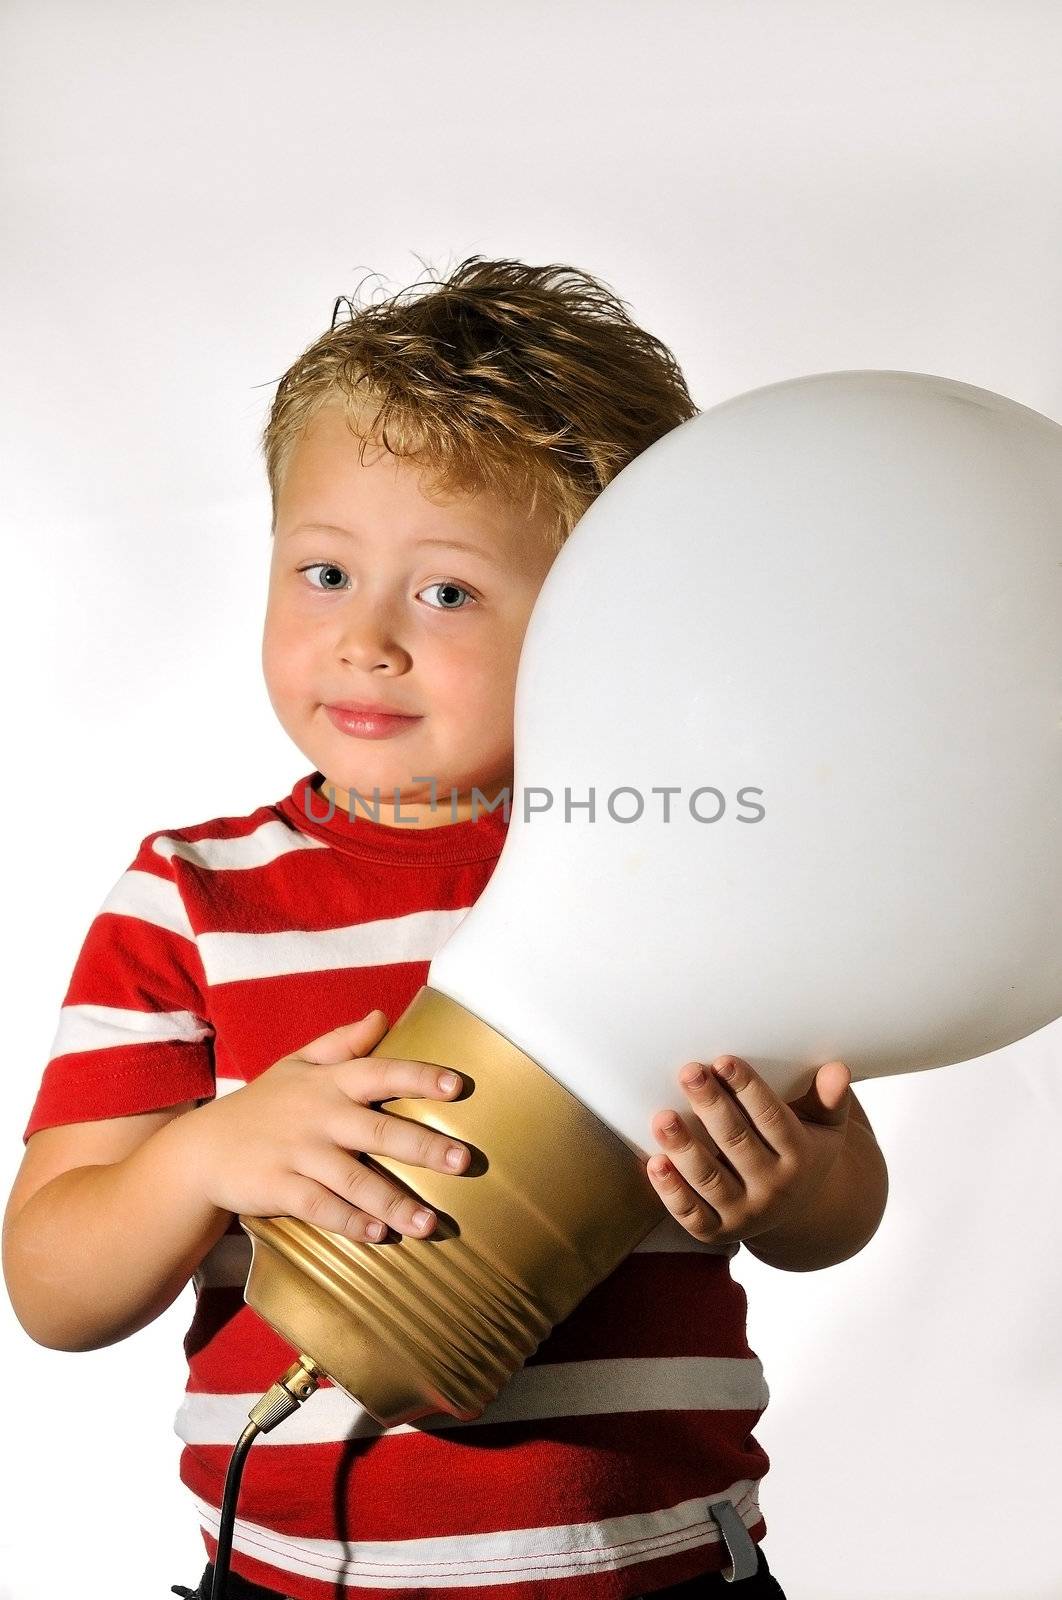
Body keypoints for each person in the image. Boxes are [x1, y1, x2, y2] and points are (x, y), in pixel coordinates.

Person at [2, 256, 889, 1600]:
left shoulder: (678, 873)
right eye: (322, 570)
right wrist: (203, 1159)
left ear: (608, 624)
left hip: (659, 1565)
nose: (363, 641)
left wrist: (798, 1183)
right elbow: (53, 1289)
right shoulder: (191, 900)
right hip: (307, 1577)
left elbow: (839, 1203)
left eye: (446, 593)